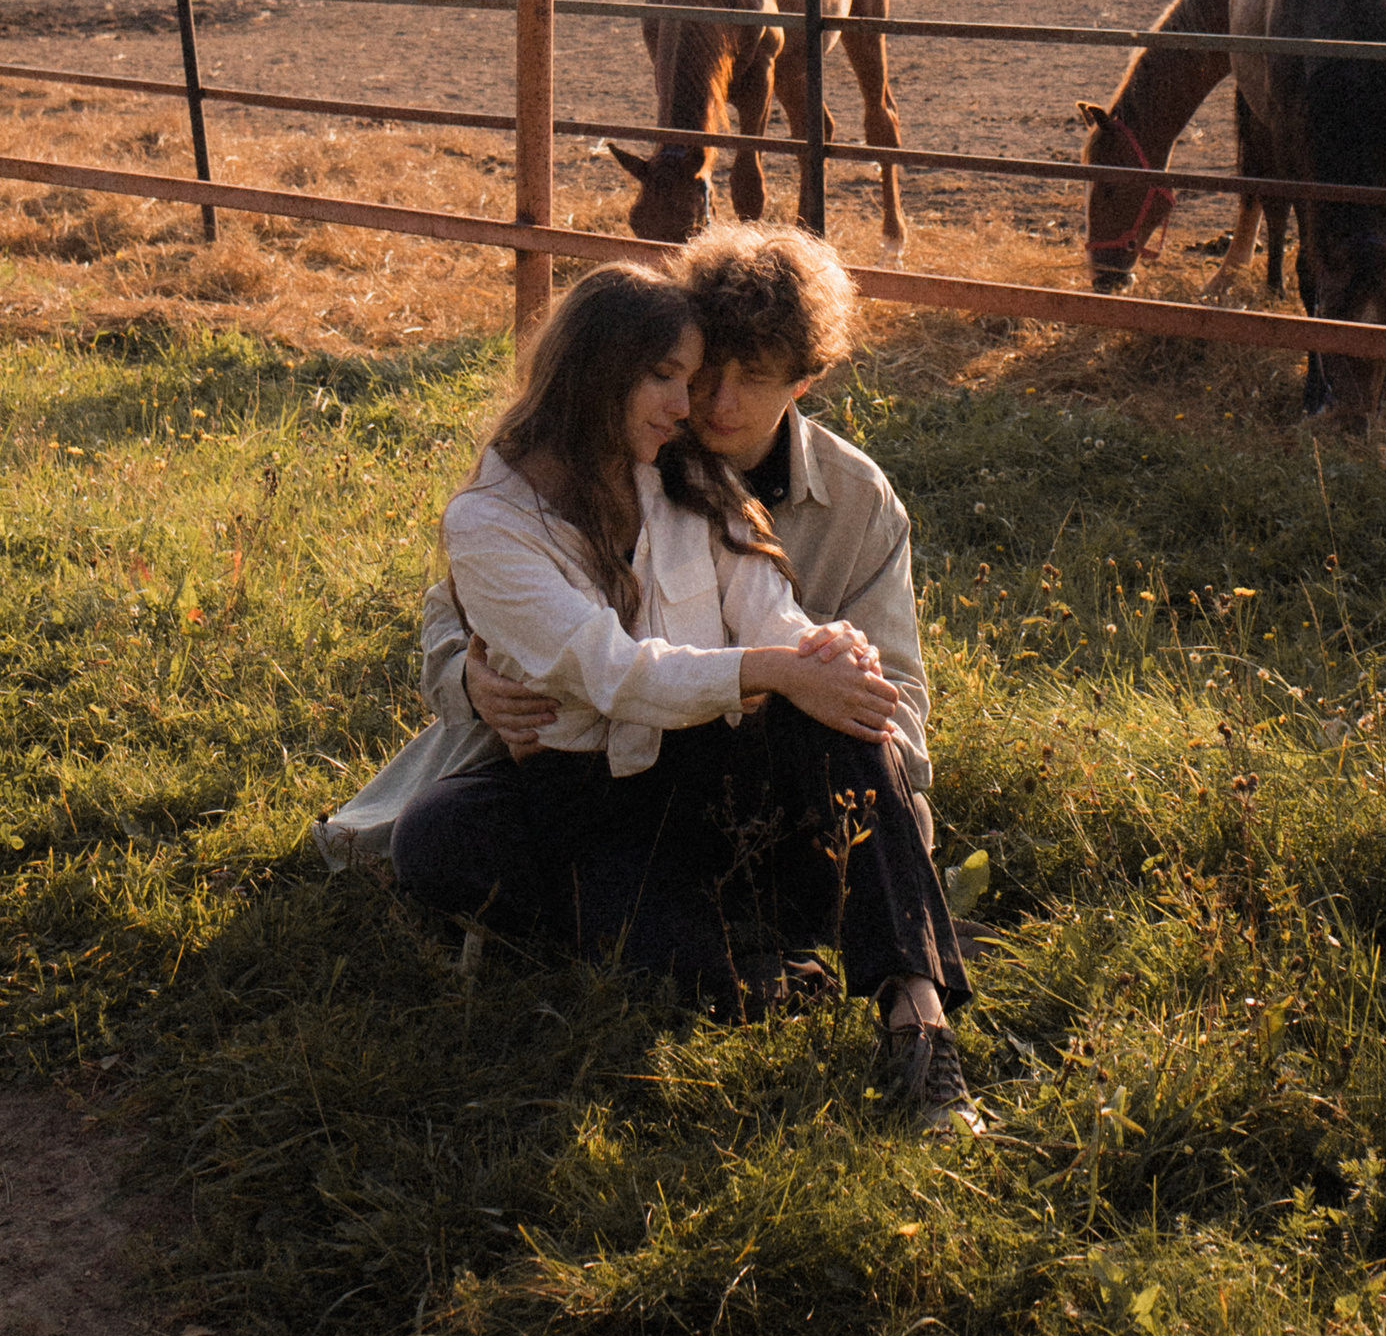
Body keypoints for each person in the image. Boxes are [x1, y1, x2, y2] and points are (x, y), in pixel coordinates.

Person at [371, 256, 978, 1131]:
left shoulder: (691, 475)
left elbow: (764, 602)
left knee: (846, 705)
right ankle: (741, 954)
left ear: (801, 384)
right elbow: (608, 670)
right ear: (598, 372)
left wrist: (818, 651)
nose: (694, 404)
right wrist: (775, 671)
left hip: (712, 767)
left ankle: (916, 1021)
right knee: (439, 843)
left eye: (703, 380)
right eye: (672, 377)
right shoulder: (492, 520)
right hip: (590, 788)